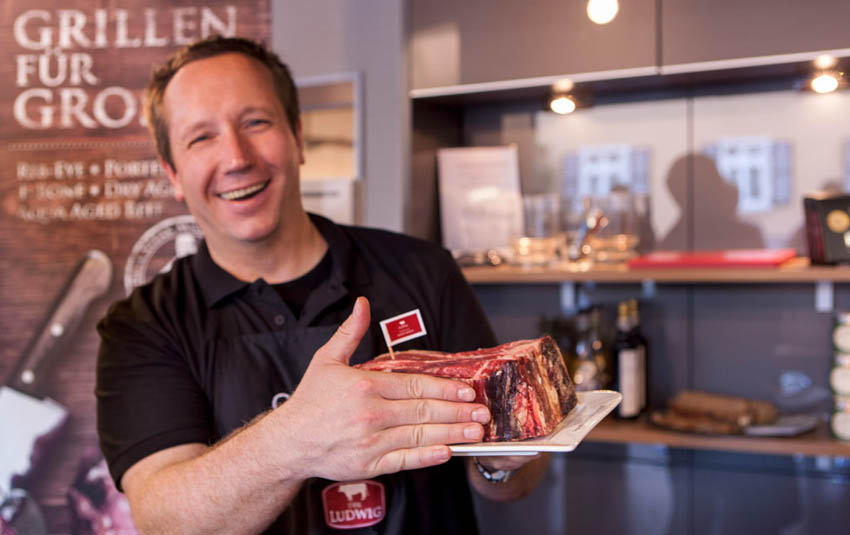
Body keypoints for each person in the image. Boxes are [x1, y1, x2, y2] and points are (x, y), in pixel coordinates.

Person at [95, 36, 548, 534]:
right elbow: (165, 521)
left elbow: (511, 483)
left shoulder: (423, 270)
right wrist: (294, 439)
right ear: (173, 173)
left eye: (256, 122)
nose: (237, 156)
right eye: (200, 137)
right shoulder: (143, 326)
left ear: (297, 136)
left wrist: (504, 462)